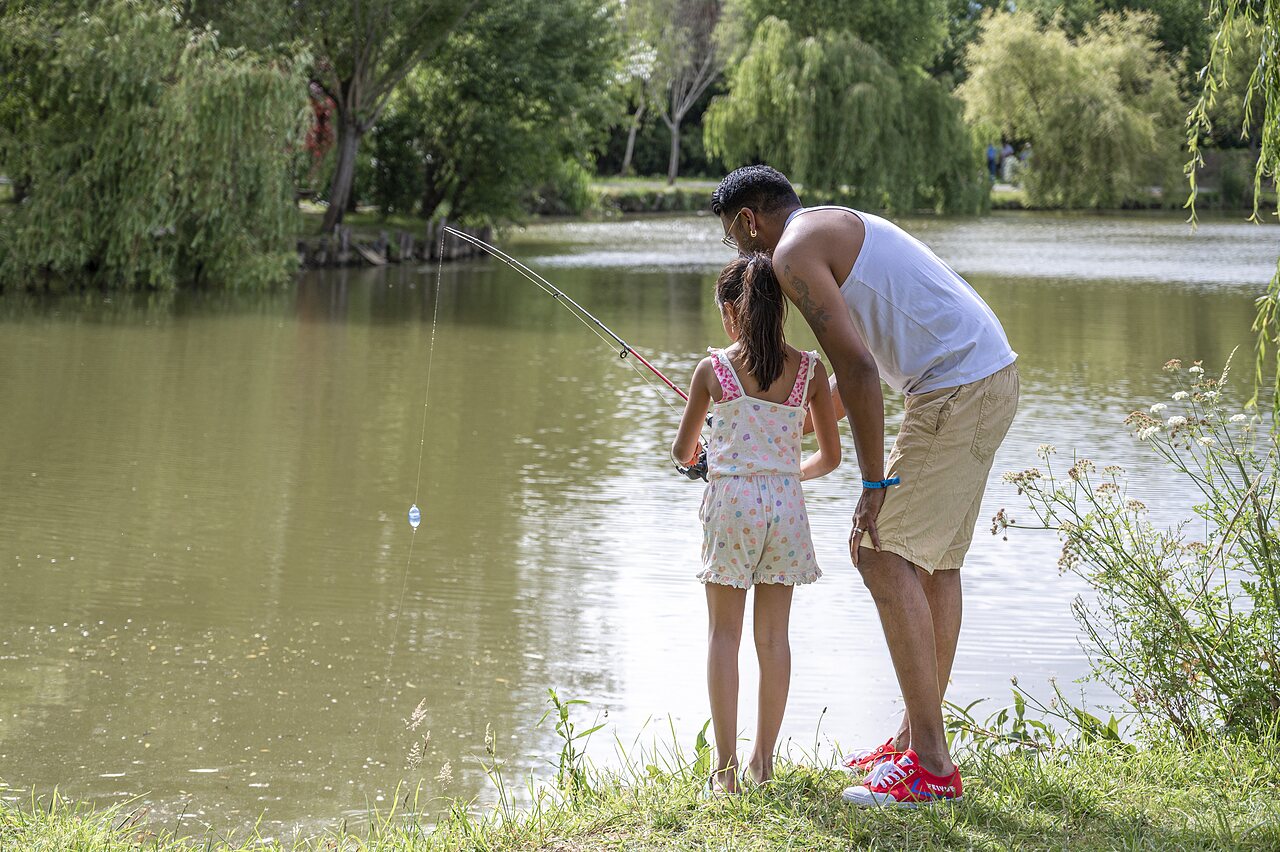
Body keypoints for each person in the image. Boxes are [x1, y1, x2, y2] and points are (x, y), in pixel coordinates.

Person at [712, 165, 1018, 807]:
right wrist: (795, 421)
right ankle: (914, 743)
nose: (741, 255)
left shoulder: (792, 253)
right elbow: (857, 371)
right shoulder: (831, 225)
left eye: (734, 240)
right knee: (935, 564)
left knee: (876, 549)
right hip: (984, 371)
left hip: (955, 384)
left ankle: (931, 765)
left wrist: (874, 481)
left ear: (749, 221)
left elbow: (857, 367)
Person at [671, 253, 842, 794]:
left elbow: (682, 452)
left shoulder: (712, 371)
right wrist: (786, 476)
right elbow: (830, 459)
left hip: (732, 507)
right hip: (787, 509)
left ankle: (724, 774)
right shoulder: (811, 372)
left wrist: (705, 457)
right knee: (774, 639)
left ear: (731, 314)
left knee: (724, 634)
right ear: (782, 310)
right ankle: (762, 764)